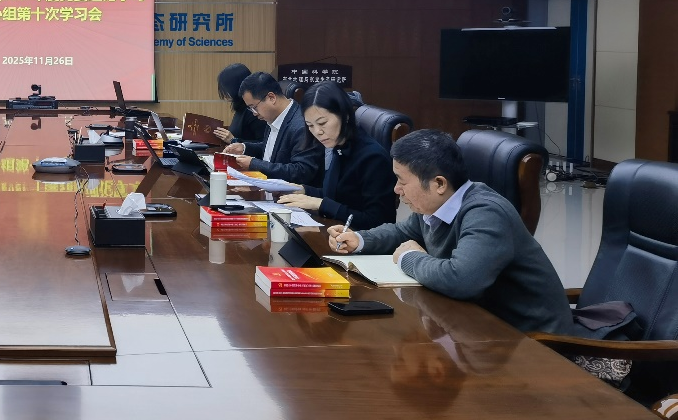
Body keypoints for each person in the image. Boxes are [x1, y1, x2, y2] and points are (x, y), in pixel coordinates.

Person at [326, 129, 575, 336]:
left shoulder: (486, 213)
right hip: (482, 329)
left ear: (439, 184)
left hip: (536, 342)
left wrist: (409, 258)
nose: (396, 189)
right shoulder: (435, 206)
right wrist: (359, 239)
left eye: (402, 181)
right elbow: (401, 232)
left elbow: (461, 279)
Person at [276, 80, 395, 228]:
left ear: (345, 116)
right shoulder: (338, 145)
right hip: (337, 231)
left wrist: (321, 204)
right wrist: (304, 190)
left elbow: (377, 221)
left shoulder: (373, 158)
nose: (317, 132)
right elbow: (340, 194)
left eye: (322, 123)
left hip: (360, 238)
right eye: (310, 125)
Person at [221, 72, 324, 187]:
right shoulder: (273, 117)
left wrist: (254, 164)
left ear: (271, 98)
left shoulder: (302, 125)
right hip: (268, 188)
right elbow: (273, 149)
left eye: (254, 107)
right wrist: (244, 147)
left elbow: (301, 171)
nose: (254, 113)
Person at [211, 63, 267, 150]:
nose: (225, 93)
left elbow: (264, 145)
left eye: (227, 89)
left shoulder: (254, 110)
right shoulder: (240, 107)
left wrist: (234, 140)